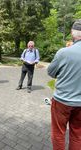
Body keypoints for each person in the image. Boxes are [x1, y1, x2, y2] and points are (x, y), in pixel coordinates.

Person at [47, 19, 81, 150]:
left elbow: (51, 72)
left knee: (58, 133)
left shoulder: (63, 52)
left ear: (72, 33)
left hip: (62, 101)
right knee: (77, 135)